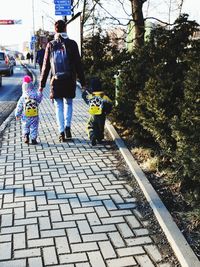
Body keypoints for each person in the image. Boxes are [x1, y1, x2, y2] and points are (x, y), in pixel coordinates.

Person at [39, 20, 86, 142]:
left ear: (55, 30)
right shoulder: (72, 44)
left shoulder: (50, 45)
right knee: (68, 103)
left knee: (58, 106)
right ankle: (68, 128)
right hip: (69, 80)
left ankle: (61, 132)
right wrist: (84, 83)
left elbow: (46, 66)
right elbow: (78, 65)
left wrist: (41, 85)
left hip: (56, 80)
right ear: (65, 29)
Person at [82, 77, 112, 146]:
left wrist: (86, 90)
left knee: (89, 126)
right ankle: (99, 138)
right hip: (102, 115)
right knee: (100, 127)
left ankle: (92, 135)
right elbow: (110, 103)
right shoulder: (103, 96)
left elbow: (84, 96)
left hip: (93, 115)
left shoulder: (90, 96)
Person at [15, 75, 43, 145]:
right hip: (34, 114)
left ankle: (26, 136)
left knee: (25, 125)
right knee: (34, 126)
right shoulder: (35, 94)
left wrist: (17, 114)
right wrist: (40, 92)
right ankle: (33, 139)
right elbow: (39, 100)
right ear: (31, 86)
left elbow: (19, 107)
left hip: (25, 115)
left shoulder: (23, 97)